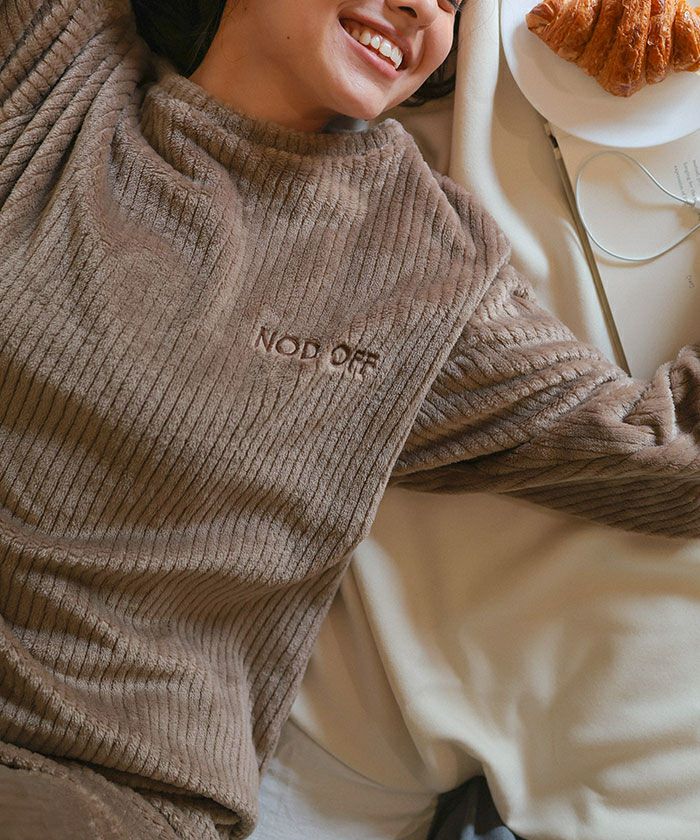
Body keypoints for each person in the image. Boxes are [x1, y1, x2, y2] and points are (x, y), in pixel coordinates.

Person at [0, 1, 697, 839]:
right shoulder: (60, 62)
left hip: (97, 778)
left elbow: (668, 455)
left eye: (452, 3)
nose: (423, 9)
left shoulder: (421, 267)